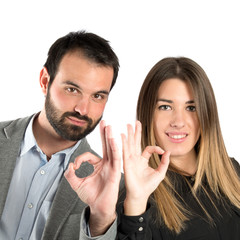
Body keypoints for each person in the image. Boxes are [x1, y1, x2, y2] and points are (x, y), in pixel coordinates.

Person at [0, 30, 123, 240]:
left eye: (98, 96)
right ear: (45, 81)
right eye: (72, 89)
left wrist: (101, 219)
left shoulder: (111, 187)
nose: (83, 109)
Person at [117, 57, 240, 239]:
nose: (179, 122)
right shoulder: (135, 195)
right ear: (148, 113)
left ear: (207, 114)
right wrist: (135, 204)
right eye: (165, 107)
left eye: (191, 108)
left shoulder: (233, 173)